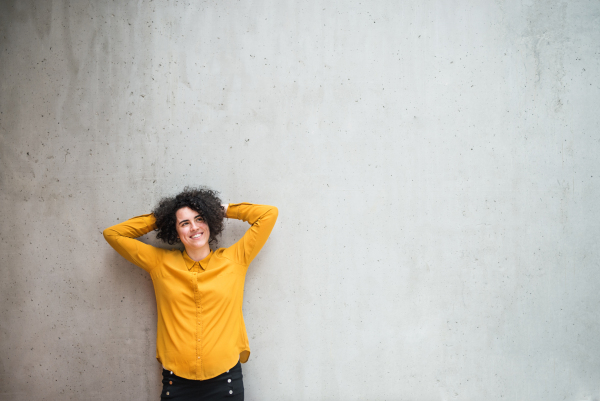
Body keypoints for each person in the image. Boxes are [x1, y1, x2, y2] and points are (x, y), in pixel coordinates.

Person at [103, 186, 278, 401]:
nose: (194, 227)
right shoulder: (159, 263)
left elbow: (268, 214)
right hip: (177, 382)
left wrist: (219, 209)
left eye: (200, 219)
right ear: (175, 230)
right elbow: (113, 234)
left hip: (226, 380)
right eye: (184, 223)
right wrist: (165, 218)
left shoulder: (235, 260)